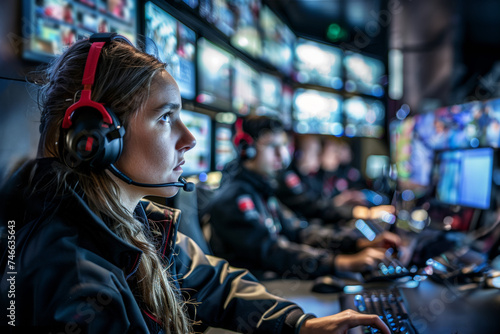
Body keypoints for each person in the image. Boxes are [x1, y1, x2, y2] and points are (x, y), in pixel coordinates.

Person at [0, 33, 390, 333]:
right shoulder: (74, 280)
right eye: (166, 117)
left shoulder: (132, 222)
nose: (190, 139)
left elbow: (212, 280)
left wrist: (298, 324)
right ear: (96, 137)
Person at [206, 116, 400, 282]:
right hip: (254, 287)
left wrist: (356, 243)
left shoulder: (261, 189)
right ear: (247, 149)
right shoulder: (234, 198)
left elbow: (299, 232)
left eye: (283, 146)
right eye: (272, 146)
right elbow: (273, 252)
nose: (282, 155)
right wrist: (341, 262)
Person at [276, 134, 395, 226]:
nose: (319, 156)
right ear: (297, 154)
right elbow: (313, 207)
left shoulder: (310, 177)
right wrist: (364, 213)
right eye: (315, 152)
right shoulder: (290, 178)